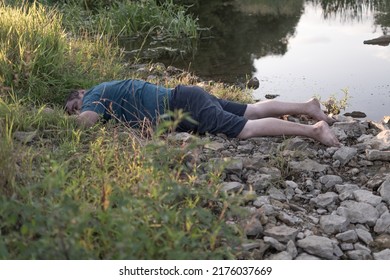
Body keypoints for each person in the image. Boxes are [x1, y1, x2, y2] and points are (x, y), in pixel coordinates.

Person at [65, 79, 340, 147]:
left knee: (246, 128)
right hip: (185, 96)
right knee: (252, 109)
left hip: (183, 106)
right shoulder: (108, 88)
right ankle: (308, 107)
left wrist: (67, 119)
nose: (78, 110)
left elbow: (86, 123)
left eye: (74, 106)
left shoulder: (94, 95)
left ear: (80, 94)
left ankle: (313, 131)